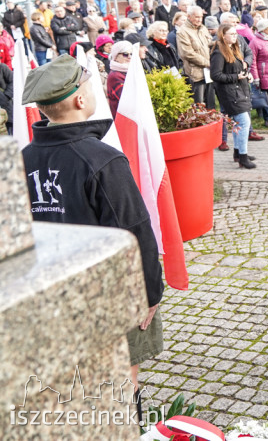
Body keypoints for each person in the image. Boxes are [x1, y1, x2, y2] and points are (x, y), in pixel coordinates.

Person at [21, 55, 164, 405]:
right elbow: (134, 232)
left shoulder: (20, 159)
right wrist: (149, 294)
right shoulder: (102, 159)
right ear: (80, 100)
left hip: (48, 295)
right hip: (109, 297)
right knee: (120, 388)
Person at [210, 24, 256, 168]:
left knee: (238, 124)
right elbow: (216, 75)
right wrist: (236, 77)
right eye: (231, 34)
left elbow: (239, 68)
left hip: (240, 90)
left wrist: (246, 75)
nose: (235, 37)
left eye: (236, 34)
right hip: (229, 93)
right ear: (223, 36)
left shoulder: (234, 48)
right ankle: (242, 157)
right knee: (244, 123)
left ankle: (238, 153)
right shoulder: (219, 52)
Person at [178, 6, 215, 107]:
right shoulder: (182, 31)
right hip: (196, 74)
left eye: (201, 17)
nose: (199, 19)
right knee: (199, 106)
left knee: (211, 104)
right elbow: (187, 53)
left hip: (208, 73)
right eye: (197, 17)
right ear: (189, 16)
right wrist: (207, 63)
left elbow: (208, 43)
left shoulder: (202, 28)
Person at [105, 41, 133, 116]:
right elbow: (126, 98)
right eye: (125, 54)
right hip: (122, 117)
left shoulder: (130, 70)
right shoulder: (115, 75)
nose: (129, 57)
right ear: (116, 57)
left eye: (131, 54)